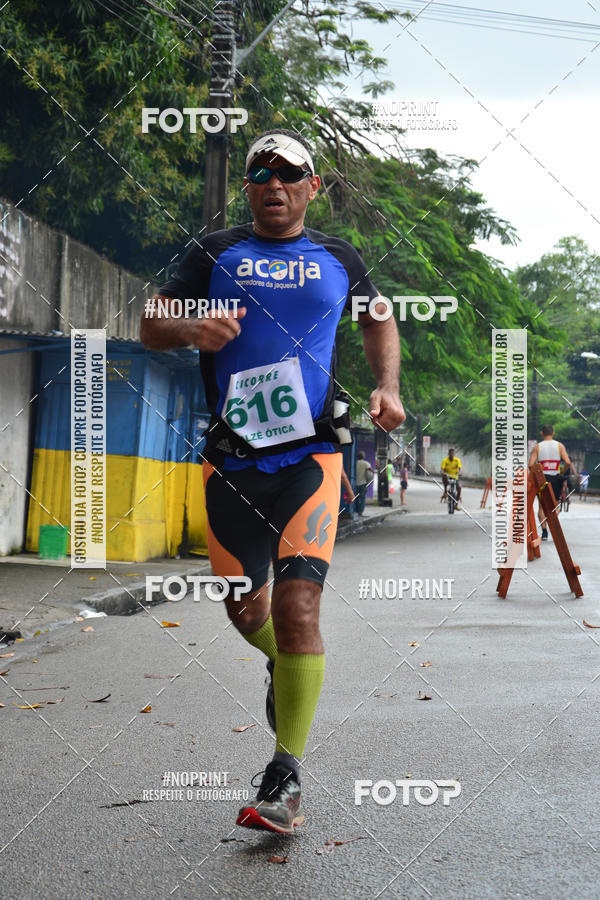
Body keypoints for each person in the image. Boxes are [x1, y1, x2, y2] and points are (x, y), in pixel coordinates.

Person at [140, 129, 405, 834]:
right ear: (249, 186)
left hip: (312, 455)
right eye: (261, 172)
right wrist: (193, 328)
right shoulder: (215, 253)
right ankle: (289, 673)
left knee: (297, 612)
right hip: (231, 459)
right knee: (246, 612)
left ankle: (284, 775)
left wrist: (387, 387)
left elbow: (379, 317)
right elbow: (150, 322)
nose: (274, 183)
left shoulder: (337, 257)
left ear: (312, 187)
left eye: (290, 173)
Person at [528, 425, 573, 540]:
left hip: (542, 479)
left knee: (541, 507)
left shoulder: (537, 447)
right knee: (555, 505)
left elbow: (530, 465)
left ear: (542, 433)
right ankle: (551, 520)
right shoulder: (559, 446)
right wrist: (562, 472)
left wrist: (537, 475)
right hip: (555, 479)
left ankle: (544, 532)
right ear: (553, 433)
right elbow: (567, 462)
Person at [355, 451, 374, 516]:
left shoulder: (355, 463)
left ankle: (357, 510)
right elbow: (370, 470)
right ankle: (361, 511)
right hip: (363, 483)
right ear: (364, 457)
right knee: (362, 498)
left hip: (355, 483)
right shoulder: (366, 463)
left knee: (356, 497)